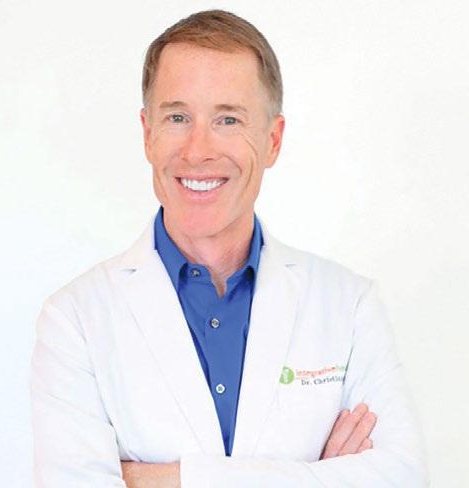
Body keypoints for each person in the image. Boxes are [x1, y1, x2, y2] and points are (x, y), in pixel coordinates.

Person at [30, 9, 428, 487]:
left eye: (228, 119)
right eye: (178, 117)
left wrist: (162, 479)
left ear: (273, 140)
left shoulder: (349, 305)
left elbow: (402, 477)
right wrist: (315, 477)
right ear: (148, 134)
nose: (198, 150)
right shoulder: (75, 320)